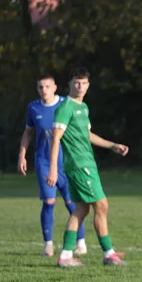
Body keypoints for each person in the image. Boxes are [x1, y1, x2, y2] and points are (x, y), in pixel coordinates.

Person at [47, 68, 128, 268]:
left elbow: (87, 135)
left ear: (88, 85)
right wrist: (52, 169)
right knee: (102, 205)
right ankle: (108, 253)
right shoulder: (66, 107)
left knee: (82, 209)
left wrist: (111, 145)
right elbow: (55, 138)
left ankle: (66, 255)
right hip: (79, 165)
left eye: (83, 83)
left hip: (86, 163)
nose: (80, 86)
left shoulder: (83, 107)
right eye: (76, 82)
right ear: (70, 84)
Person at [18, 75, 87, 257]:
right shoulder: (33, 108)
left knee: (73, 203)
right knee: (49, 202)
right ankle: (48, 244)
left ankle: (81, 242)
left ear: (55, 87)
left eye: (48, 86)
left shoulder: (66, 105)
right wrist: (22, 156)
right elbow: (28, 133)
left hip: (66, 161)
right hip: (44, 161)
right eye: (41, 87)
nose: (44, 90)